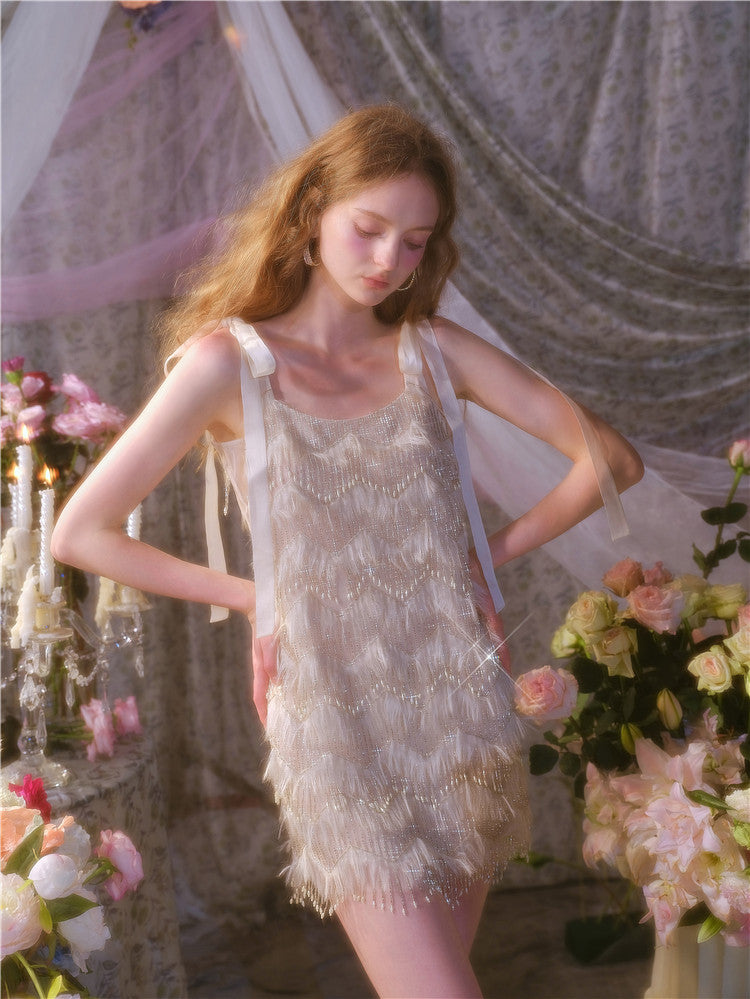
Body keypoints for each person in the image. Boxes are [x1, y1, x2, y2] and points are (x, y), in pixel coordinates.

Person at [52, 104, 643, 998]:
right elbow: (80, 532)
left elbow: (611, 459)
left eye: (415, 242)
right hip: (332, 714)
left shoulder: (432, 352)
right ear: (310, 214)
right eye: (369, 229)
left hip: (460, 705)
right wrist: (261, 597)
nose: (388, 260)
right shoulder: (226, 364)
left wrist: (481, 559)